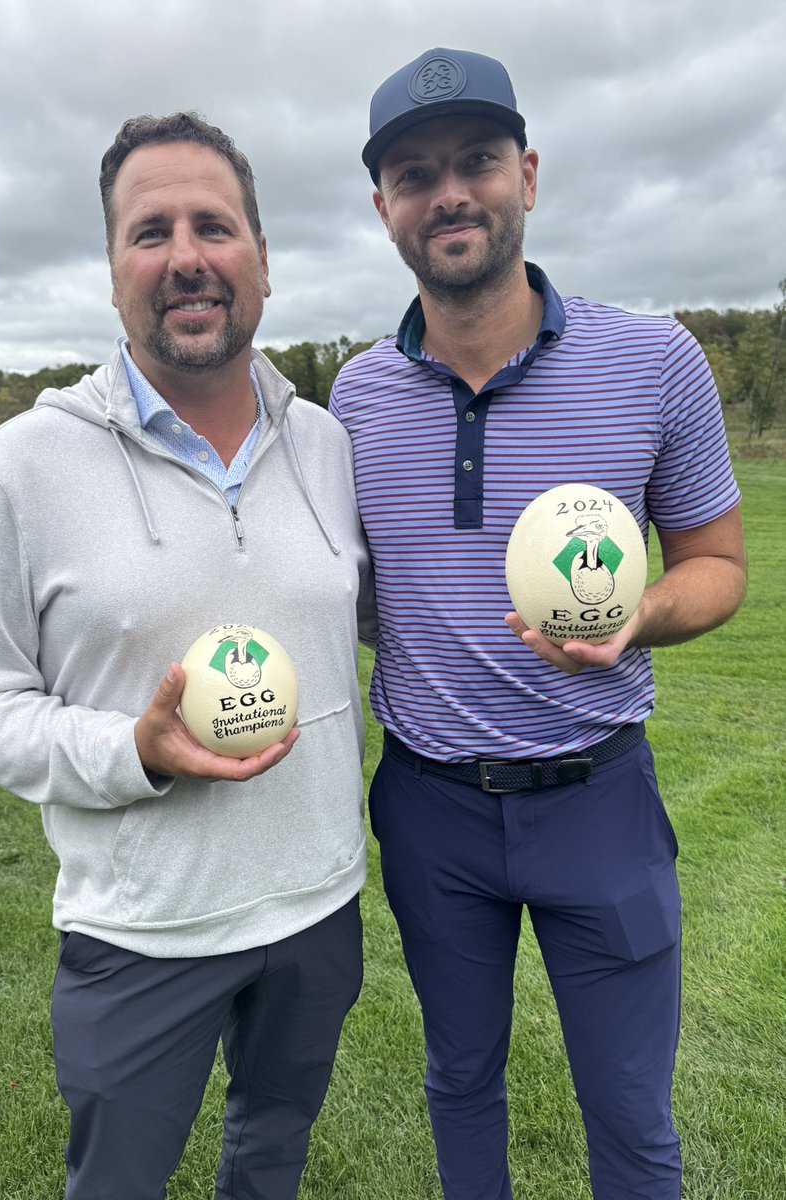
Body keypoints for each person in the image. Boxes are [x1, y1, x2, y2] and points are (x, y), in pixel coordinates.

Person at [0, 112, 375, 1200]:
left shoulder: (326, 443)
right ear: (113, 270)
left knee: (271, 1159)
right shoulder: (20, 465)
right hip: (140, 932)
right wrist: (135, 749)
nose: (186, 257)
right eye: (149, 231)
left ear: (261, 260)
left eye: (214, 226)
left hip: (319, 909)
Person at [330, 47, 746, 1200]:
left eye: (475, 161)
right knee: (459, 1081)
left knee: (630, 1113)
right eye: (414, 174)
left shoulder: (654, 360)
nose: (448, 192)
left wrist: (640, 617)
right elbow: (354, 592)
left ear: (529, 173)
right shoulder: (355, 398)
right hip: (429, 806)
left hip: (597, 799)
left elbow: (716, 566)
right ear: (383, 209)